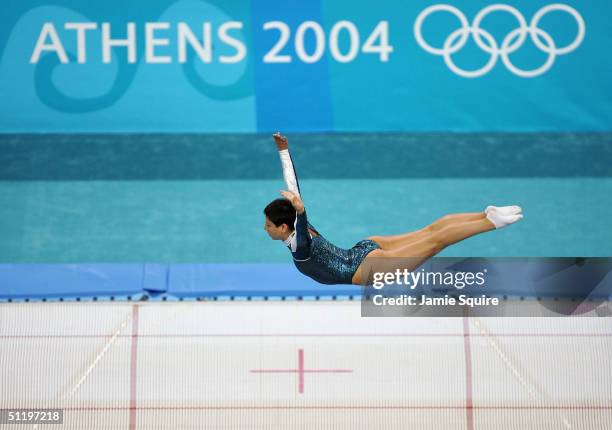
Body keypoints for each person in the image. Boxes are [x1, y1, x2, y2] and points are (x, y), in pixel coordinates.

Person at [263, 132, 523, 285]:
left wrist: (302, 209)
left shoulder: (299, 244)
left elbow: (299, 213)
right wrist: (284, 151)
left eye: (268, 224)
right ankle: (485, 214)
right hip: (363, 248)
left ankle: (491, 222)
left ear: (284, 226)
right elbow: (293, 187)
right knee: (429, 231)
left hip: (365, 268)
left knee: (435, 242)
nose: (265, 228)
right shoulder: (300, 224)